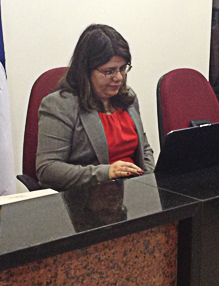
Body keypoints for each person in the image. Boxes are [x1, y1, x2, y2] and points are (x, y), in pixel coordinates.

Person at [36, 24, 154, 191]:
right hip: (88, 196)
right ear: (86, 71)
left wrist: (149, 178)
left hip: (133, 191)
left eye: (122, 69)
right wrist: (106, 173)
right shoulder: (60, 105)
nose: (119, 78)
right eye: (109, 71)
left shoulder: (128, 98)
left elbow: (144, 149)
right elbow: (48, 170)